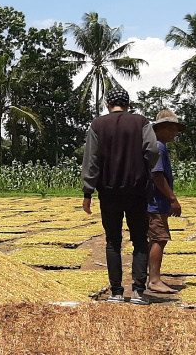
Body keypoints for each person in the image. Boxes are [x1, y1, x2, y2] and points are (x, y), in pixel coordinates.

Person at [81, 86, 159, 305]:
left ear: (107, 104)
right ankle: (138, 292)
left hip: (109, 193)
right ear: (128, 104)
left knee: (113, 242)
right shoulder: (142, 122)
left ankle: (116, 292)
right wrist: (144, 168)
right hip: (137, 192)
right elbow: (153, 151)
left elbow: (92, 160)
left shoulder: (98, 124)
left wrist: (88, 192)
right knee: (140, 241)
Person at [147, 110, 186, 294]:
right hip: (155, 202)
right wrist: (173, 199)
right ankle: (154, 280)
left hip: (154, 202)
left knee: (155, 239)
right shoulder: (158, 146)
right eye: (170, 129)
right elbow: (157, 175)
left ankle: (150, 277)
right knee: (159, 239)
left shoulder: (157, 145)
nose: (174, 133)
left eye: (176, 130)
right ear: (160, 128)